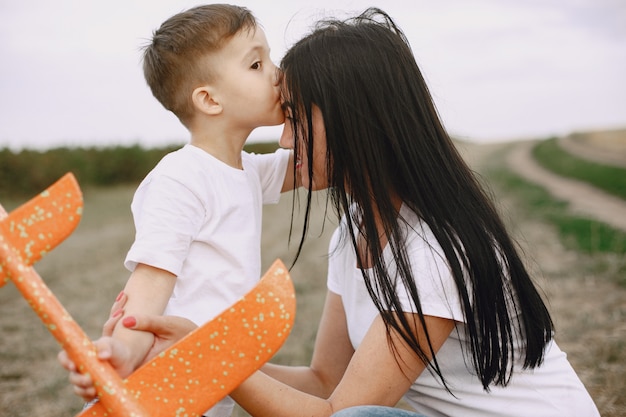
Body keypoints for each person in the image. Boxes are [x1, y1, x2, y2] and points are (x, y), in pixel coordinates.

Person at [60, 7, 600, 417]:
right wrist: (180, 355)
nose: (284, 137)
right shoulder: (355, 230)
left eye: (295, 116)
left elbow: (344, 414)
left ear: (354, 121)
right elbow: (324, 382)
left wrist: (213, 361)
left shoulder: (436, 248)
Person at [70, 4, 295, 417]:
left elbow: (321, 164)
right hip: (161, 380)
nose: (277, 74)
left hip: (208, 383)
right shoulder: (182, 176)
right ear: (209, 99)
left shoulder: (245, 169)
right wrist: (123, 350)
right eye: (257, 64)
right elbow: (151, 280)